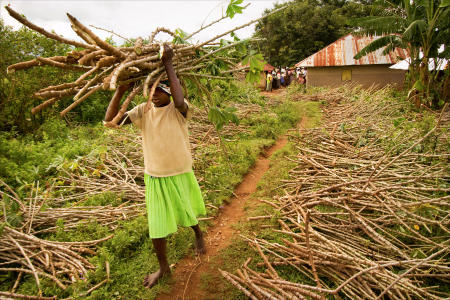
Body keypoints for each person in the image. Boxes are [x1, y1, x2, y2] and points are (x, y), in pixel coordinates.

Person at [104, 43, 206, 288]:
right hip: (155, 176)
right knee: (157, 224)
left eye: (162, 88)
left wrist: (168, 63)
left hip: (180, 171)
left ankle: (198, 233)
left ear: (171, 90)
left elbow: (179, 98)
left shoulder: (179, 109)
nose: (156, 93)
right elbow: (110, 121)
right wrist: (120, 90)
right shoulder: (143, 111)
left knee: (187, 210)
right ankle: (163, 267)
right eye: (152, 89)